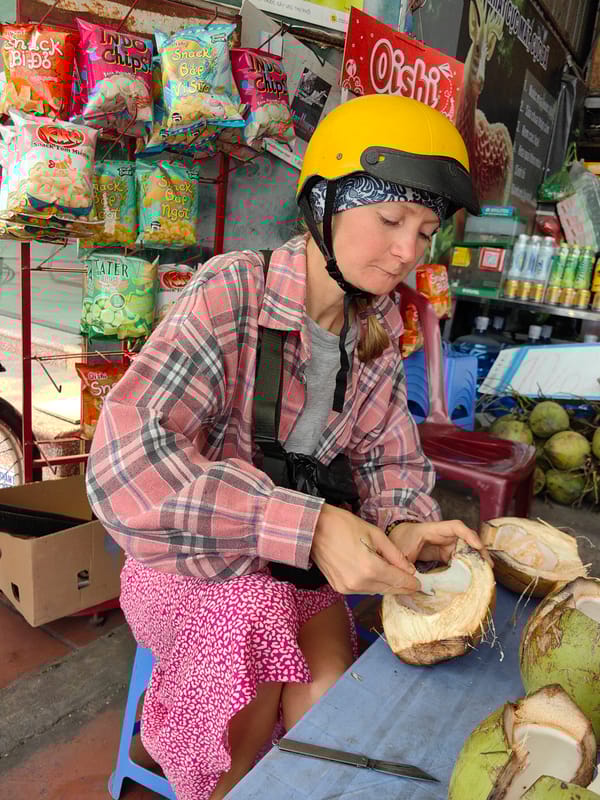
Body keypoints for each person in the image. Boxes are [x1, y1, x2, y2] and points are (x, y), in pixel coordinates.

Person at [86, 93, 485, 800]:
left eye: (424, 232)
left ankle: (210, 748)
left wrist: (403, 522)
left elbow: (392, 460)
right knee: (251, 664)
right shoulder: (232, 290)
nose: (407, 251)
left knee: (329, 699)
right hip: (189, 567)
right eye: (391, 220)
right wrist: (308, 524)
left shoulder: (377, 329)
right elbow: (125, 468)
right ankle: (205, 766)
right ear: (323, 204)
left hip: (291, 570)